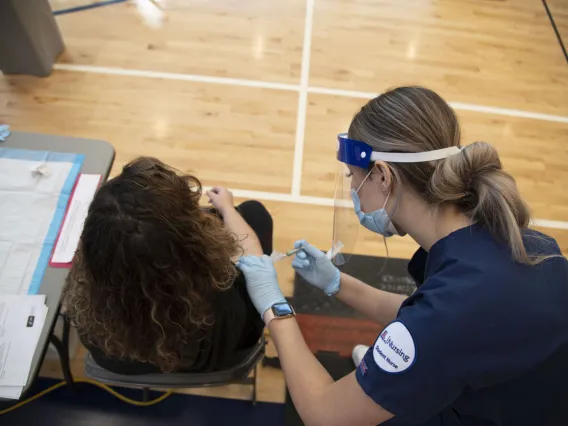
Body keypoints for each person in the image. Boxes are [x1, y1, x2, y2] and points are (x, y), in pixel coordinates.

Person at [237, 86, 568, 426]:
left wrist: (273, 305)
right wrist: (337, 283)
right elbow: (432, 317)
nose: (352, 190)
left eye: (354, 176)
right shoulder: (524, 243)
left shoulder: (448, 315)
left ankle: (387, 380)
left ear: (383, 176)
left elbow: (323, 413)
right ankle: (390, 375)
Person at [63, 157, 269, 374]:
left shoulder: (83, 300)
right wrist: (228, 209)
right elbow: (254, 259)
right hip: (209, 360)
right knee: (255, 213)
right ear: (190, 241)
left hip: (126, 364)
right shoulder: (222, 290)